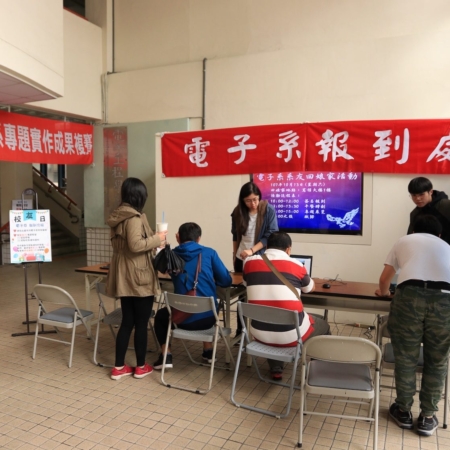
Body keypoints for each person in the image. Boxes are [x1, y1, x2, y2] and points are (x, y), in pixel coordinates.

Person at [375, 215, 450, 436]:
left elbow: (385, 279)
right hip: (445, 299)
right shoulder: (447, 246)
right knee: (438, 360)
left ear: (413, 231)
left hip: (409, 297)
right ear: (439, 234)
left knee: (406, 357)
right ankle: (428, 417)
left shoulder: (404, 241)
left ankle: (403, 411)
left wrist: (384, 293)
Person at [243, 231, 331, 380]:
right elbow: (310, 288)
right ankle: (318, 372)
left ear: (267, 247)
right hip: (291, 336)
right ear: (288, 249)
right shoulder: (297, 265)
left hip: (258, 333)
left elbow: (246, 283)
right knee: (323, 324)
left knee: (272, 317)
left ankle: (276, 369)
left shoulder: (249, 263)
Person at [106, 177, 167, 380]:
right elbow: (135, 245)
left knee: (127, 321)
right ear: (138, 196)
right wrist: (158, 239)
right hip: (139, 275)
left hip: (124, 274)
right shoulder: (133, 218)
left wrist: (153, 239)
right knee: (141, 323)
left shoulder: (119, 216)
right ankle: (141, 366)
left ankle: (119, 367)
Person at [152, 222, 232, 369]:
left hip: (181, 320)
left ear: (178, 237)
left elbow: (159, 267)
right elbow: (226, 281)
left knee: (161, 316)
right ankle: (208, 351)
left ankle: (166, 356)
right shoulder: (209, 253)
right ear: (199, 238)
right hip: (208, 319)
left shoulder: (171, 256)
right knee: (207, 302)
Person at [231, 181, 279, 337]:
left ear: (259, 197)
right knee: (242, 295)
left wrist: (251, 250)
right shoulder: (238, 212)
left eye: (255, 199)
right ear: (242, 200)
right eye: (248, 201)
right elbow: (235, 236)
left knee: (260, 295)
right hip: (241, 258)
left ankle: (261, 332)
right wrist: (235, 255)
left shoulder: (268, 210)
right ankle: (241, 332)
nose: (253, 204)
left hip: (259, 258)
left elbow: (270, 235)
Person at [407, 176, 450, 244]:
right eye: (414, 195)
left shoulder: (446, 206)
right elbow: (410, 238)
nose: (417, 198)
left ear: (430, 192)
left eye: (421, 194)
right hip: (426, 249)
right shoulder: (415, 214)